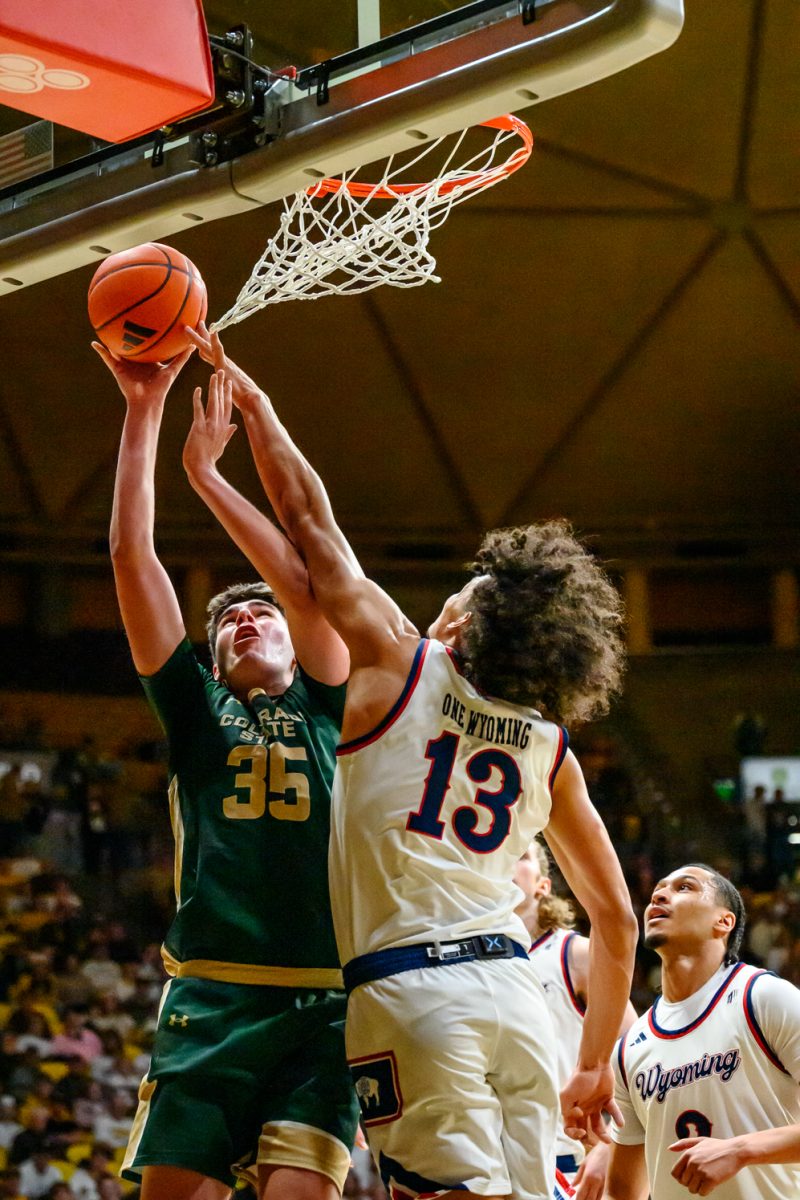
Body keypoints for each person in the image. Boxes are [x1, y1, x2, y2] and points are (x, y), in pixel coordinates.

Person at [186, 326, 638, 1200]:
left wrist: (262, 408)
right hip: (519, 999)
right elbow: (614, 918)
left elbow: (312, 523)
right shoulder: (551, 750)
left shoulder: (401, 664)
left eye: (461, 591)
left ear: (465, 626)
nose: (448, 597)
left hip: (414, 993)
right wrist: (594, 1066)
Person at [93, 342, 359, 1200]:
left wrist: (213, 478)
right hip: (212, 995)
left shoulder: (332, 703)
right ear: (210, 658)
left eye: (261, 612)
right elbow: (134, 558)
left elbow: (313, 591)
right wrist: (145, 413)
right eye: (231, 620)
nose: (249, 620)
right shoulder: (199, 714)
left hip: (324, 1003)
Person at [605, 863, 800, 1198]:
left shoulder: (765, 998)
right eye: (658, 891)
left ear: (723, 922)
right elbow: (623, 1189)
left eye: (684, 887)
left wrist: (740, 1150)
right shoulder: (628, 1050)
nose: (660, 896)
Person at [514, 841, 638, 1199]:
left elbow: (641, 1057)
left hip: (571, 1160)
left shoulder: (574, 953)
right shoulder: (476, 965)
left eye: (521, 857)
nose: (509, 864)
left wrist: (612, 1145)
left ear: (543, 885)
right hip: (503, 1162)